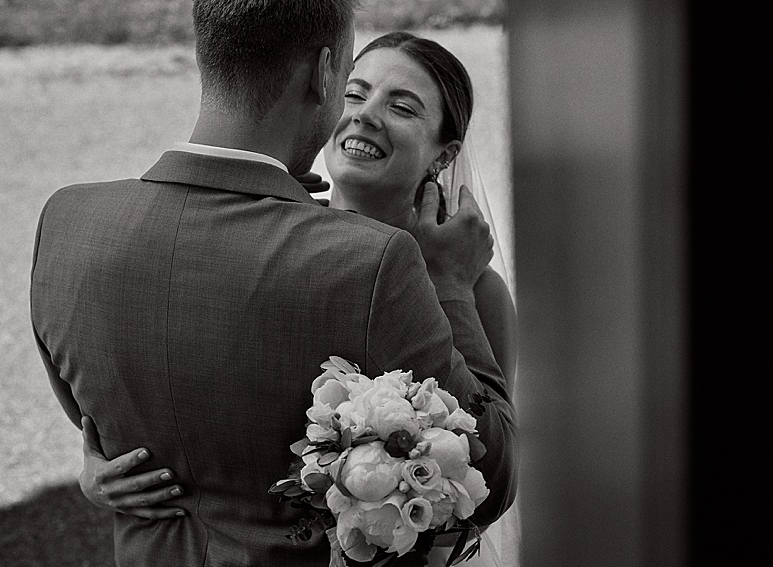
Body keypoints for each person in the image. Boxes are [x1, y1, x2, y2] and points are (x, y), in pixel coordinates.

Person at [32, 1, 516, 565]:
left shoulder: (66, 221)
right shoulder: (363, 262)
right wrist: (95, 469)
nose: (363, 114)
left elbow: (111, 411)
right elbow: (492, 473)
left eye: (403, 107)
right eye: (354, 91)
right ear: (325, 74)